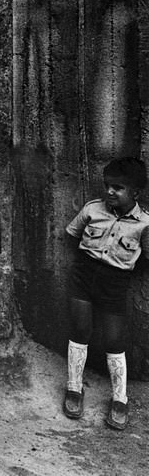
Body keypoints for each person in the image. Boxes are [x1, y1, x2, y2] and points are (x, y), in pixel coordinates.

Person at [63, 157, 149, 430]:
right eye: (108, 185)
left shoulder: (144, 224)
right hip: (84, 276)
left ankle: (119, 398)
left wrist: (123, 269)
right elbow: (71, 234)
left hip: (115, 283)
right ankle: (74, 388)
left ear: (135, 193)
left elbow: (146, 258)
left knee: (114, 339)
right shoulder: (93, 210)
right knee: (80, 328)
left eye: (118, 187)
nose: (110, 192)